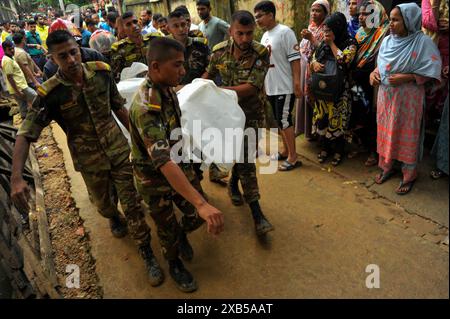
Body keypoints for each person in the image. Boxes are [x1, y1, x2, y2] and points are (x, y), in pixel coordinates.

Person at [10, 30, 164, 287]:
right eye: (63, 56)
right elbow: (26, 133)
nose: (71, 59)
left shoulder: (102, 72)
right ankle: (112, 215)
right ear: (52, 59)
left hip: (117, 151)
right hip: (89, 161)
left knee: (133, 203)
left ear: (78, 48)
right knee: (104, 205)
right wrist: (16, 177)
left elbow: (118, 107)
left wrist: (140, 142)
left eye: (73, 52)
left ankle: (146, 251)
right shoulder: (51, 93)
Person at [129, 37, 224, 293]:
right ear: (156, 66)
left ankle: (181, 236)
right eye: (177, 65)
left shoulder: (167, 87)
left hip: (178, 165)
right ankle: (174, 265)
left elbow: (176, 132)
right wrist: (201, 203)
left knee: (194, 217)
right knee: (167, 227)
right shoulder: (145, 107)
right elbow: (162, 161)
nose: (183, 70)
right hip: (154, 179)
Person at [203, 10, 274, 236]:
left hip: (251, 114)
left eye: (249, 33)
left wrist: (217, 91)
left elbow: (251, 88)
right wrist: (196, 88)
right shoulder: (218, 52)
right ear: (231, 31)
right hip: (226, 115)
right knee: (238, 155)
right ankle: (235, 185)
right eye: (240, 33)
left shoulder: (260, 52)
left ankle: (256, 211)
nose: (245, 39)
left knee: (246, 159)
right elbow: (209, 73)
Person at [370, 3, 442, 195]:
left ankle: (409, 175)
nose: (391, 24)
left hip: (409, 98)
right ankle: (386, 167)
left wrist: (408, 77)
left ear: (408, 21)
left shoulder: (422, 42)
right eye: (390, 19)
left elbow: (433, 70)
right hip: (387, 96)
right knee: (386, 132)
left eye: (395, 20)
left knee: (406, 133)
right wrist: (374, 74)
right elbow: (382, 65)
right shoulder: (387, 41)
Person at [254, 1, 302, 171]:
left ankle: (293, 157)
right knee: (279, 120)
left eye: (259, 16)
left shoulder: (285, 32)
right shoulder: (265, 35)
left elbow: (295, 60)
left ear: (270, 15)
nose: (257, 20)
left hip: (284, 86)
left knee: (284, 120)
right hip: (271, 86)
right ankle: (285, 150)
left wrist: (297, 83)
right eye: (256, 16)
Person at [310, 12, 357, 166]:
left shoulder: (350, 42)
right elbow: (314, 57)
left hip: (339, 91)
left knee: (337, 121)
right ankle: (325, 149)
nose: (326, 33)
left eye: (329, 29)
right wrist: (314, 64)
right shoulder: (323, 42)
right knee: (322, 120)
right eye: (325, 29)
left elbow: (345, 60)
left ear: (338, 28)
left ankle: (338, 151)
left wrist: (332, 44)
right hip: (322, 90)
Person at [350, 0, 390, 166]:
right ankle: (364, 147)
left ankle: (374, 152)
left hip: (374, 84)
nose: (361, 16)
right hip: (357, 82)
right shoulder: (360, 33)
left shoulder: (385, 33)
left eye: (366, 14)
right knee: (360, 113)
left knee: (373, 116)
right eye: (360, 13)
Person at [296, 0, 330, 139]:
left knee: (313, 101)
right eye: (312, 10)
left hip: (316, 70)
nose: (314, 13)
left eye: (318, 11)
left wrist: (311, 38)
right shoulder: (311, 27)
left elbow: (325, 50)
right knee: (302, 100)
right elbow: (303, 49)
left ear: (325, 13)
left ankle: (315, 132)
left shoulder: (326, 29)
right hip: (304, 67)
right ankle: (305, 130)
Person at [110, 12, 161, 82]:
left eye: (135, 22)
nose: (134, 26)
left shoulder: (154, 39)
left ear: (140, 23)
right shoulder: (119, 49)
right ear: (123, 29)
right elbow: (117, 77)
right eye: (128, 24)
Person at [167, 11, 210, 86]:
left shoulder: (200, 45)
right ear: (168, 29)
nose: (181, 29)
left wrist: (196, 85)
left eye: (183, 25)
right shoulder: (164, 49)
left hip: (200, 88)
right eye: (176, 26)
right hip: (175, 91)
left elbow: (210, 69)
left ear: (188, 25)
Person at [1, 40, 37, 119]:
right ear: (4, 50)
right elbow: (9, 77)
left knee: (23, 106)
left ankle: (27, 123)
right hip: (20, 87)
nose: (12, 50)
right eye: (9, 49)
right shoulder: (7, 61)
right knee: (36, 97)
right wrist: (18, 91)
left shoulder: (11, 57)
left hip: (20, 86)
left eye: (12, 48)